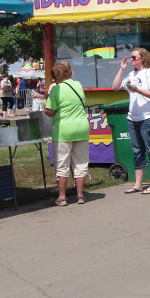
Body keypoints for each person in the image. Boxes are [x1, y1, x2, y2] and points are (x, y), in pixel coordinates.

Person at [112, 48, 150, 194]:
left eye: (134, 57)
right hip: (133, 118)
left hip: (148, 117)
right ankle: (138, 184)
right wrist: (121, 69)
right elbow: (115, 87)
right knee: (137, 151)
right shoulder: (131, 74)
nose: (132, 60)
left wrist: (138, 90)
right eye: (131, 58)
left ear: (143, 58)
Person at [44, 61, 90, 205]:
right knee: (81, 163)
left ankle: (62, 197)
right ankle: (80, 195)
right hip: (81, 128)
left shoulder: (56, 90)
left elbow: (50, 111)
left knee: (62, 164)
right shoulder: (78, 85)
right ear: (69, 72)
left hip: (63, 130)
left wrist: (46, 108)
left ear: (56, 77)